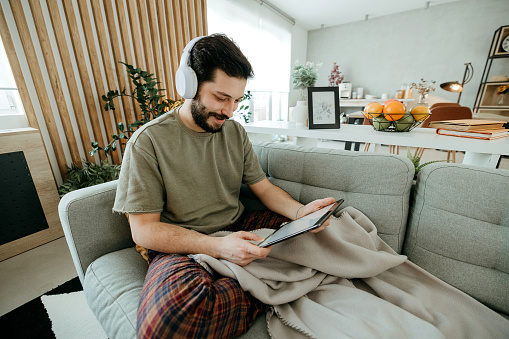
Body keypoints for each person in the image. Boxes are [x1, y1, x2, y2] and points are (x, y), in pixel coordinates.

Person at [113, 33, 335, 338]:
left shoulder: (235, 132)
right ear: (188, 86)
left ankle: (261, 280)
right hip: (181, 245)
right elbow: (144, 231)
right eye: (220, 97)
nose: (229, 111)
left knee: (322, 233)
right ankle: (271, 284)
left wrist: (300, 213)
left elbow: (264, 189)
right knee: (165, 327)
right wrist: (218, 247)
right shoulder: (147, 142)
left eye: (237, 100)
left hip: (236, 225)